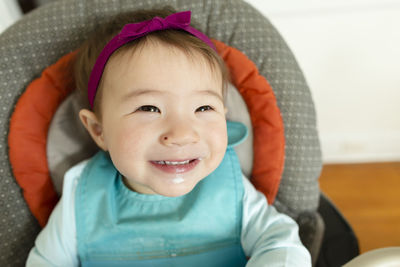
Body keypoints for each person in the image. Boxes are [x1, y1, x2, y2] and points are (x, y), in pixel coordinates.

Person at [26, 7, 311, 266]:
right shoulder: (83, 193)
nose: (181, 134)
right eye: (149, 108)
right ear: (99, 131)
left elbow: (281, 242)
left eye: (203, 107)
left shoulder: (230, 186)